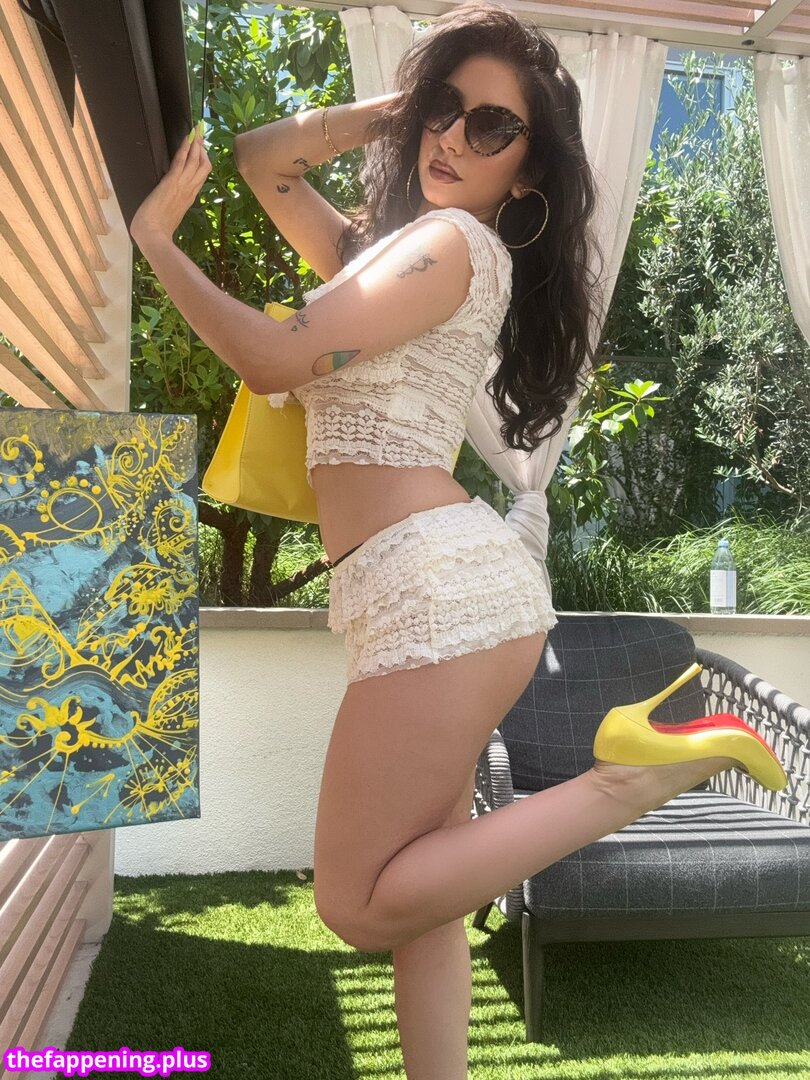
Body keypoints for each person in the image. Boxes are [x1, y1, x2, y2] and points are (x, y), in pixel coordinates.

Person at [129, 2, 787, 1075]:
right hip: (429, 586)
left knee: (354, 903)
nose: (453, 138)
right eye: (448, 110)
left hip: (434, 589)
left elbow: (272, 356)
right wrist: (405, 107)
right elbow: (263, 162)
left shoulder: (449, 246)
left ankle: (628, 779)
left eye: (493, 128)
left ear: (528, 175)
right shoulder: (392, 257)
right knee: (426, 896)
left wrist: (155, 242)